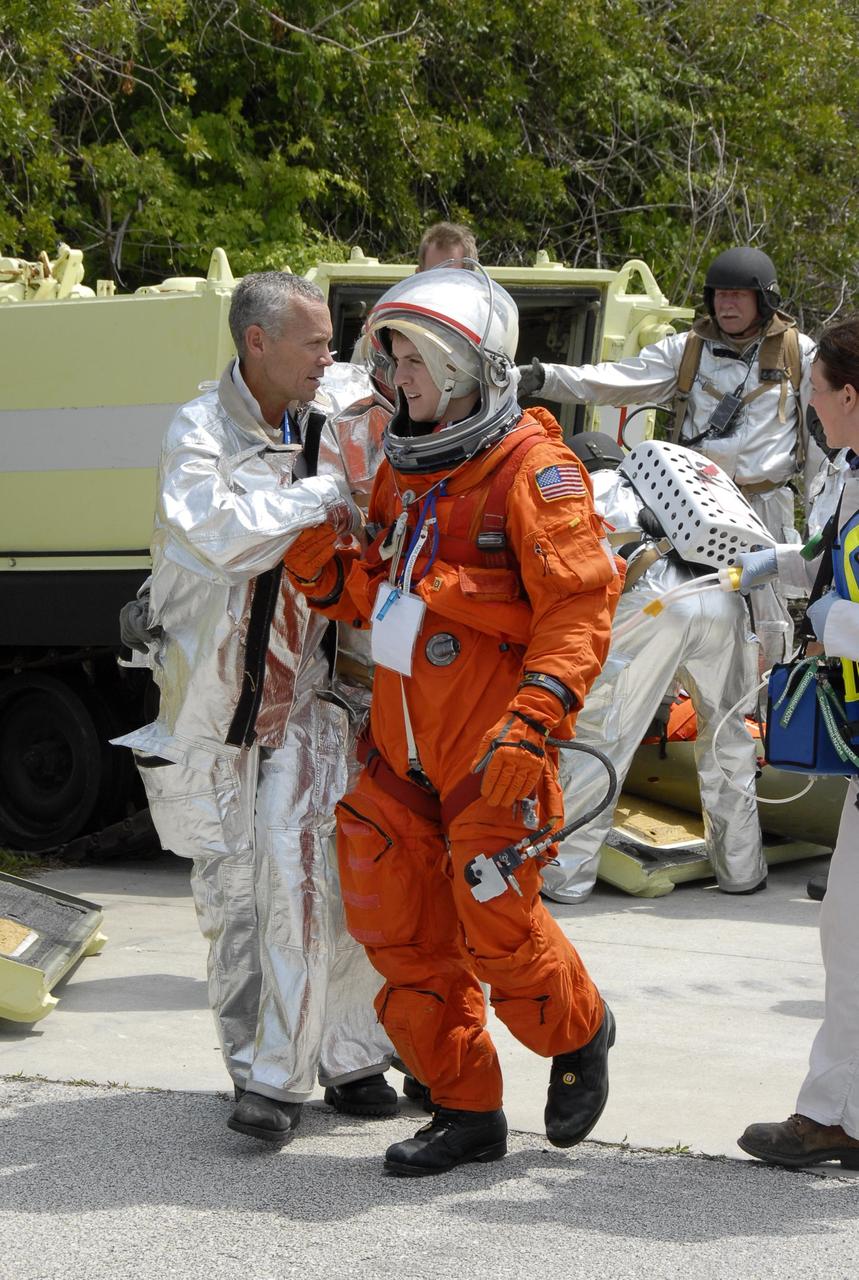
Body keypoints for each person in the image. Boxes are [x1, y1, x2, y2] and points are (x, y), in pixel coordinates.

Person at [282, 265, 621, 1176]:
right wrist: (329, 574)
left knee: (497, 934)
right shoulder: (405, 469)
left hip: (491, 752)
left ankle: (579, 1031)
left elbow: (578, 608)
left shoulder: (533, 472)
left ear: (469, 367)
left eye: (412, 358)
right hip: (402, 752)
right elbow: (391, 599)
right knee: (401, 936)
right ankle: (467, 1111)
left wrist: (535, 721)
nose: (396, 377)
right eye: (387, 358)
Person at [113, 272, 395, 1145]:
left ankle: (329, 1061)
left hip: (308, 699)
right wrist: (322, 493)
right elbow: (220, 533)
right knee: (232, 901)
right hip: (210, 713)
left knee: (313, 884)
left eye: (333, 340)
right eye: (313, 341)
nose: (329, 356)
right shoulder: (198, 432)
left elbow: (410, 406)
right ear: (257, 344)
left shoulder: (337, 403)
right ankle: (254, 1072)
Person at [519, 247, 818, 667]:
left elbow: (822, 447)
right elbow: (614, 380)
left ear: (763, 299)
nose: (726, 304)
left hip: (761, 509)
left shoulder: (799, 356)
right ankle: (669, 712)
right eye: (720, 295)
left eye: (738, 295)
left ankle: (763, 716)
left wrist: (825, 525)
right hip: (692, 509)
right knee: (673, 606)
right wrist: (546, 377)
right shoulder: (688, 350)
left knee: (768, 623)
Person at [736, 315, 859, 1170]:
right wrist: (765, 561)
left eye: (814, 390)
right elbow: (827, 562)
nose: (808, 405)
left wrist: (832, 623)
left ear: (850, 397)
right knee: (847, 935)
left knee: (850, 935)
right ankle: (836, 1113)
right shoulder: (849, 478)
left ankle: (829, 1112)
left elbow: (841, 602)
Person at [542, 435, 767, 903]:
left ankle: (566, 877)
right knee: (729, 739)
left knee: (603, 736)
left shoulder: (598, 485)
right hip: (724, 600)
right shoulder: (681, 498)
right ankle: (742, 869)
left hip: (657, 603)